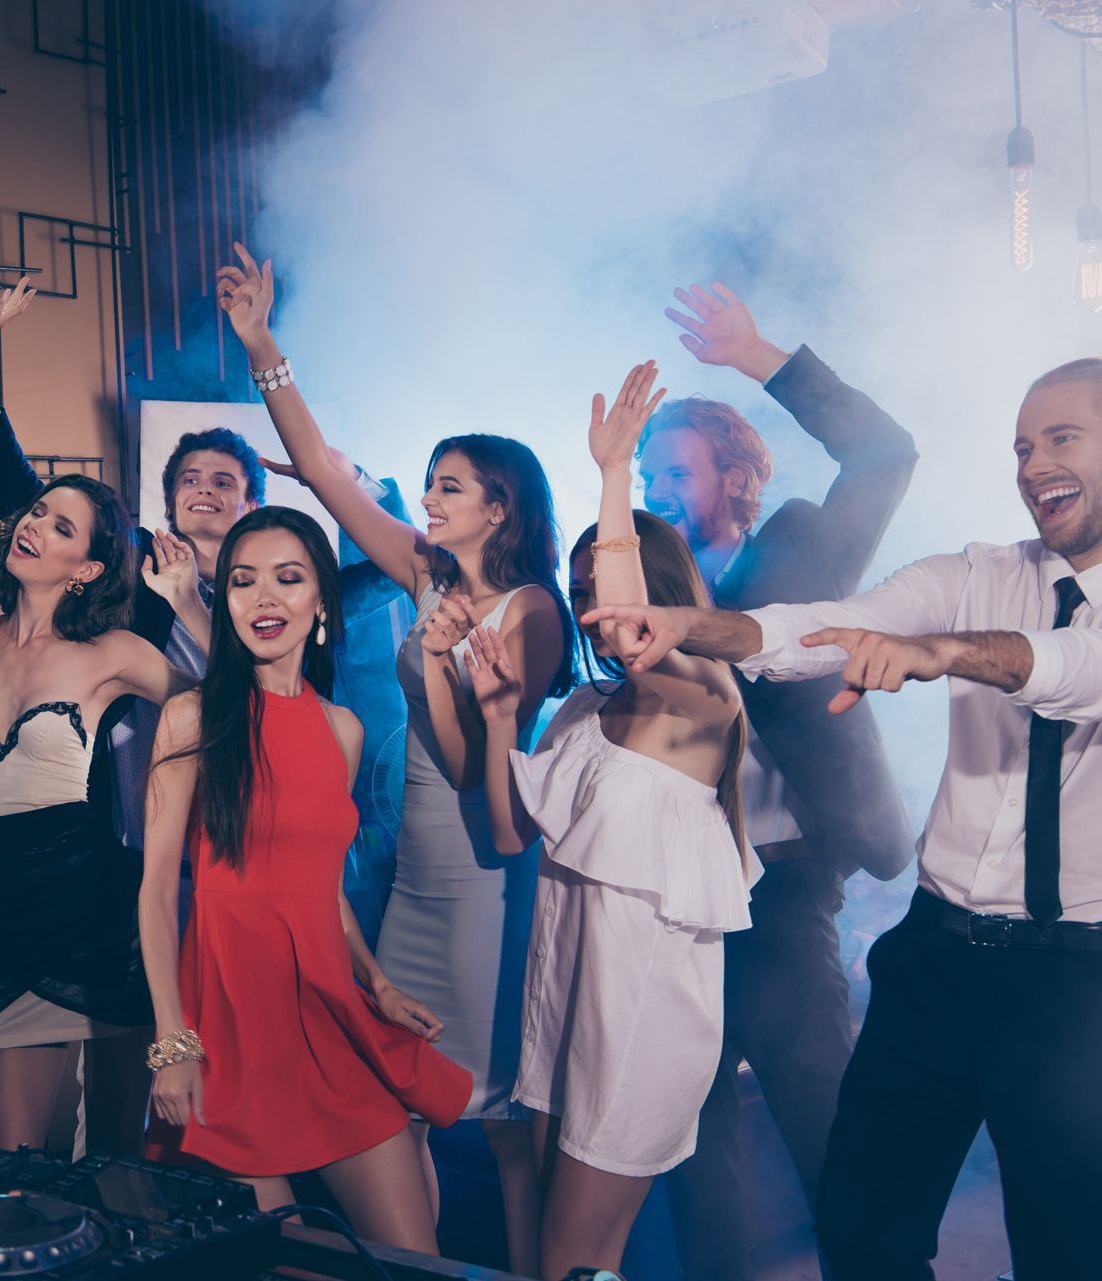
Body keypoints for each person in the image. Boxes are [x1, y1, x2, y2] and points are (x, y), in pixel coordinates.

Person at [584, 357, 1102, 1280]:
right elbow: (810, 626)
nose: (1032, 463)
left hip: (1072, 977)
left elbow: (1069, 667)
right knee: (862, 1229)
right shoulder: (978, 570)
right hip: (935, 955)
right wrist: (685, 626)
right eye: (1023, 444)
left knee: (1063, 1242)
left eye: (1062, 437)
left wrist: (940, 650)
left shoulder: (980, 608)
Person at [215, 242, 574, 1274]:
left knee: (494, 1117)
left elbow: (474, 775)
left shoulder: (530, 610)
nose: (429, 499)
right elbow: (325, 470)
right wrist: (260, 342)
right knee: (391, 1096)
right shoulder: (422, 573)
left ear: (499, 506)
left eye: (450, 487)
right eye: (426, 485)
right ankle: (411, 1263)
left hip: (482, 874)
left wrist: (440, 658)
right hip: (414, 871)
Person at [0, 263, 406, 866]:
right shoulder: (134, 560)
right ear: (170, 500)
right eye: (190, 480)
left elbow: (393, 570)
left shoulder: (291, 583)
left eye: (223, 481)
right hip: (144, 825)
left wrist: (344, 478)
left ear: (252, 503)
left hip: (262, 812)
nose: (205, 489)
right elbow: (21, 497)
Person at [647, 283, 918, 1281]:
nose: (659, 486)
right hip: (676, 888)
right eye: (646, 470)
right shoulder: (635, 582)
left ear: (733, 473)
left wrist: (759, 355)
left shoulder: (800, 545)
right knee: (689, 1127)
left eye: (676, 468)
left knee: (820, 1110)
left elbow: (886, 452)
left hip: (788, 879)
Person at [462, 361, 757, 1278]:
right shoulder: (584, 710)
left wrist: (615, 474)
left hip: (638, 1020)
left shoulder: (703, 694)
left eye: (606, 586)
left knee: (569, 1255)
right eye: (581, 587)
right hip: (561, 1005)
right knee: (570, 1247)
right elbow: (510, 836)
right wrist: (505, 710)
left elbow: (636, 620)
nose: (593, 612)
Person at [142, 506, 473, 1252]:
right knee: (271, 1260)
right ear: (221, 600)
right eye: (243, 581)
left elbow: (321, 888)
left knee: (411, 1260)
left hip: (327, 1015)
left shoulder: (343, 730)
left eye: (288, 580)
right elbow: (159, 890)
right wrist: (172, 1038)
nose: (265, 599)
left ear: (321, 599)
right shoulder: (192, 717)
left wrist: (379, 983)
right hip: (225, 1029)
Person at [0, 279, 197, 1154]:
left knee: (123, 1181)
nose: (34, 523)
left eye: (61, 524)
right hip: (14, 938)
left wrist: (189, 604)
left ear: (87, 568)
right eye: (35, 510)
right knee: (12, 1177)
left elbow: (220, 704)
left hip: (104, 921)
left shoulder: (111, 653)